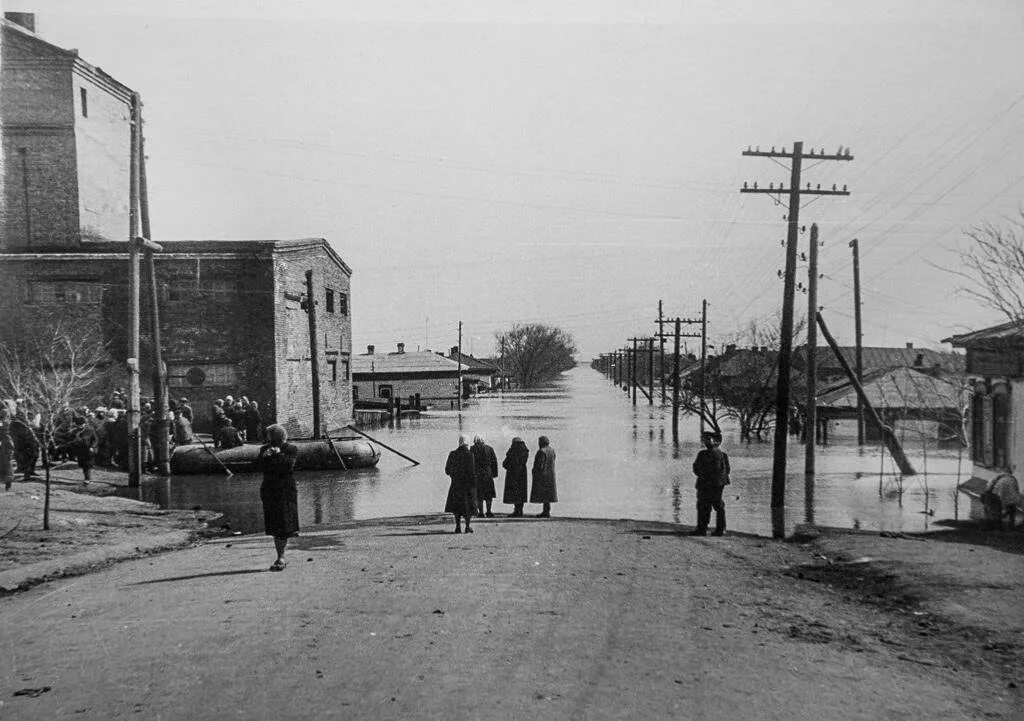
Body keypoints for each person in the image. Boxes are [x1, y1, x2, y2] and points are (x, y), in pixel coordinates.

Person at [258, 424, 300, 571]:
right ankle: (280, 555)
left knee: (283, 525)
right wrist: (266, 456)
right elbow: (259, 466)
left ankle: (280, 557)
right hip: (270, 491)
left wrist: (277, 454)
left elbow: (288, 466)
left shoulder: (291, 449)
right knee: (274, 525)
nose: (268, 440)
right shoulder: (264, 450)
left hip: (285, 492)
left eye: (269, 436)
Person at [690, 431, 730, 536]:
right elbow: (695, 467)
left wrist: (709, 478)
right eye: (705, 439)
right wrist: (704, 476)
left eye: (709, 439)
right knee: (703, 505)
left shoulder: (721, 455)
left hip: (715, 484)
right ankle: (703, 529)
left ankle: (720, 529)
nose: (706, 441)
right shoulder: (702, 454)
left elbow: (725, 470)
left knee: (717, 505)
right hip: (707, 483)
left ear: (716, 442)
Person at [444, 435, 477, 533]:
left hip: (456, 484)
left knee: (456, 506)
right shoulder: (470, 454)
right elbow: (472, 471)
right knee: (468, 506)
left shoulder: (452, 454)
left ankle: (458, 526)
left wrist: (453, 475)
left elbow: (447, 470)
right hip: (467, 484)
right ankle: (467, 526)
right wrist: (473, 483)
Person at [471, 434, 498, 517]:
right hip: (488, 473)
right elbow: (494, 462)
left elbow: (471, 462)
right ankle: (489, 511)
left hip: (477, 474)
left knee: (479, 494)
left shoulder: (473, 449)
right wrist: (494, 473)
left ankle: (481, 512)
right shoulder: (489, 448)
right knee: (489, 494)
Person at [530, 435, 557, 518]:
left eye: (539, 442)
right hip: (551, 475)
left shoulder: (541, 451)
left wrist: (534, 472)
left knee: (544, 494)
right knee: (548, 494)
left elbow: (540, 465)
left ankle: (545, 512)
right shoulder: (552, 450)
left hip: (543, 475)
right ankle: (547, 511)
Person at [502, 437, 529, 517]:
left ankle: (516, 511)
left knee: (514, 492)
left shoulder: (513, 450)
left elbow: (505, 463)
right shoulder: (525, 450)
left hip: (513, 474)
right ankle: (520, 510)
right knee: (521, 492)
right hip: (523, 473)